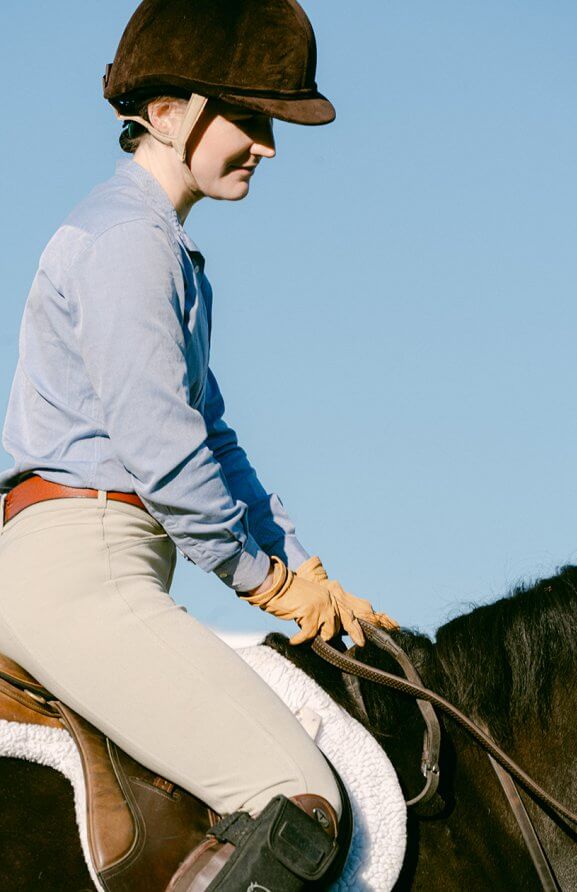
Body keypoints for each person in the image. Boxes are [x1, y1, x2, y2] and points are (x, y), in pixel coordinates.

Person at [0, 1, 398, 887]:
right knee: (298, 804)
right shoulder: (127, 243)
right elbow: (164, 452)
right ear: (169, 113)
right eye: (249, 119)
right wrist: (262, 579)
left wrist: (304, 568)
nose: (267, 146)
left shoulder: (154, 243)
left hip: (94, 557)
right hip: (87, 564)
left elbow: (211, 436)